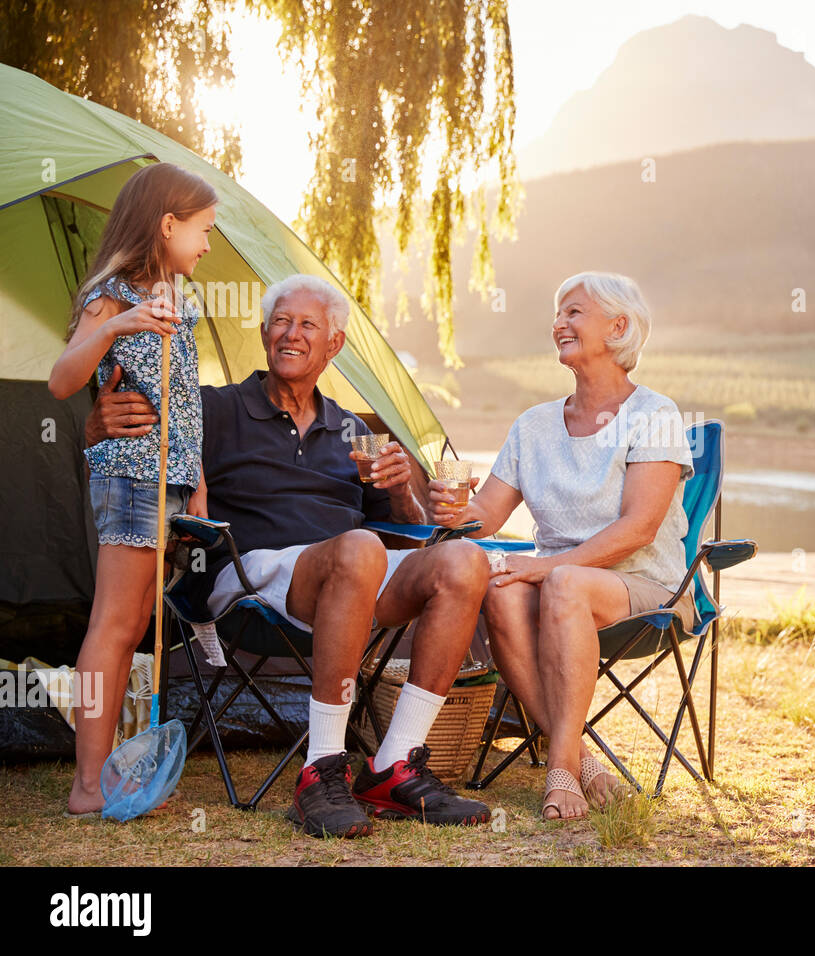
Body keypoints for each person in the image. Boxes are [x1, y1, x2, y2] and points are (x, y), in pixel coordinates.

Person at [86, 274, 492, 838]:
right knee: (359, 548)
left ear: (335, 345)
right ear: (263, 333)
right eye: (281, 322)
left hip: (357, 573)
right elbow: (130, 439)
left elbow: (412, 532)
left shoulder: (352, 431)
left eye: (307, 325)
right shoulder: (213, 410)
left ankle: (392, 765)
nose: (291, 335)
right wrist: (93, 425)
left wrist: (403, 491)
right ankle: (321, 769)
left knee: (465, 561)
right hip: (249, 579)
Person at [429, 271, 695, 821]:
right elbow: (486, 516)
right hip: (559, 586)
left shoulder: (656, 414)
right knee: (500, 589)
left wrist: (546, 567)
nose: (559, 323)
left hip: (645, 585)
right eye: (557, 313)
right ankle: (583, 761)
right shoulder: (534, 425)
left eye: (574, 312)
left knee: (562, 582)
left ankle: (559, 769)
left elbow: (639, 528)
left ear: (618, 327)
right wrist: (453, 510)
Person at [49, 163, 215, 817]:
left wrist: (196, 482)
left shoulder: (179, 299)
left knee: (131, 625)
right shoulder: (112, 292)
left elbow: (182, 401)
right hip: (132, 478)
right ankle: (88, 784)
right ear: (167, 225)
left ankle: (102, 772)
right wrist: (116, 326)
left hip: (169, 481)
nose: (206, 243)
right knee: (114, 626)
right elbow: (64, 381)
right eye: (201, 229)